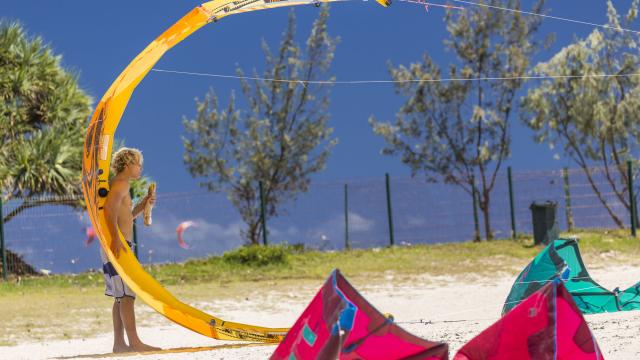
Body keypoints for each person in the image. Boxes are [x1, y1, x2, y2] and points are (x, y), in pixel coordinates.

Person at [101, 147, 159, 353]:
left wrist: (143, 205)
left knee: (120, 296)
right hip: (119, 245)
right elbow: (108, 210)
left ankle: (119, 344)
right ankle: (135, 342)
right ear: (127, 165)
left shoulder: (121, 185)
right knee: (127, 296)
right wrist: (116, 239)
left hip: (118, 243)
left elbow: (125, 217)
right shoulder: (121, 184)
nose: (140, 167)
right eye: (138, 163)